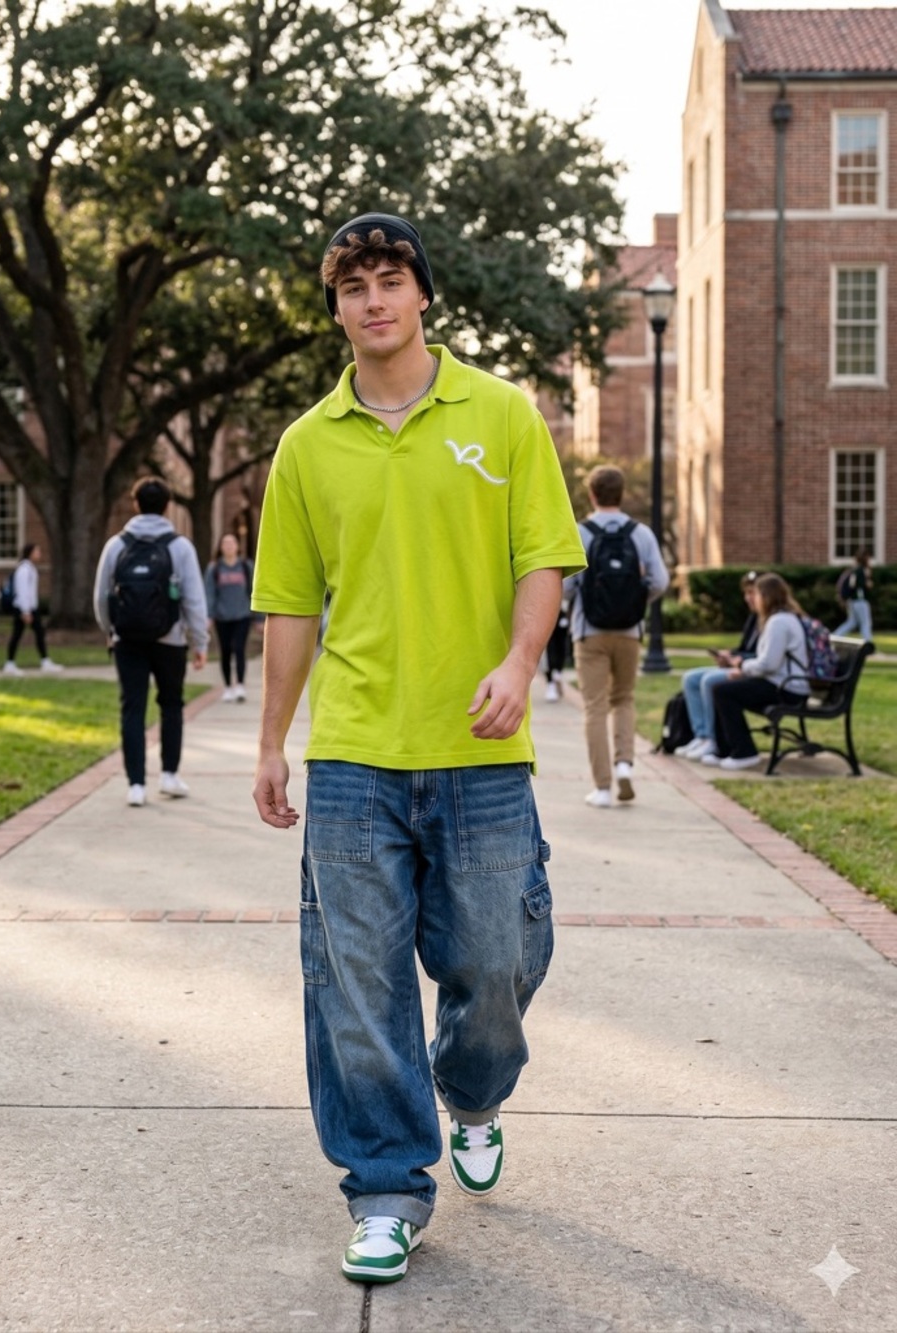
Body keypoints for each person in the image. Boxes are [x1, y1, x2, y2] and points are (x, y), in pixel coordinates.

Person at [250, 212, 586, 1285]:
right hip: (353, 755)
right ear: (337, 307)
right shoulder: (307, 445)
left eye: (390, 281)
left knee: (495, 961)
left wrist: (520, 661)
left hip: (482, 752)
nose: (373, 302)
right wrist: (271, 743)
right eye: (353, 288)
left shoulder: (500, 412)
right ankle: (386, 1184)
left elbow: (544, 555)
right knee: (355, 982)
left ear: (422, 295)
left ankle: (474, 1091)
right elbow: (290, 607)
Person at [93, 477, 209, 807]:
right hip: (170, 640)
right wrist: (200, 642)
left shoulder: (116, 545)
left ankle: (136, 785)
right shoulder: (180, 546)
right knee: (171, 704)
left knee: (133, 707)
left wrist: (110, 629)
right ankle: (170, 775)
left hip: (127, 638)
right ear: (167, 506)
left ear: (136, 504)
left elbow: (101, 595)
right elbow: (194, 600)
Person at [564, 465, 669, 808]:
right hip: (629, 631)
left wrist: (580, 600)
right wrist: (637, 601)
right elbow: (660, 582)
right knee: (623, 699)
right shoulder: (641, 534)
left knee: (594, 707)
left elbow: (564, 585)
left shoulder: (579, 533)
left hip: (589, 632)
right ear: (622, 493)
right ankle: (625, 764)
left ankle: (603, 788)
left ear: (592, 494)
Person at [705, 571, 810, 770]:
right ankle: (725, 750)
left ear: (767, 597)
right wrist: (743, 671)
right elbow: (768, 664)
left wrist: (742, 667)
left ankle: (744, 753)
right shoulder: (779, 619)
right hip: (782, 684)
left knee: (723, 691)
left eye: (758, 594)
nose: (755, 599)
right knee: (723, 687)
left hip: (788, 689)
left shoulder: (779, 622)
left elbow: (768, 664)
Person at [675, 571, 761, 761]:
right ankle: (702, 735)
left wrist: (738, 660)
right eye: (746, 593)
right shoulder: (753, 618)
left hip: (757, 673)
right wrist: (729, 656)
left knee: (710, 681)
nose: (749, 598)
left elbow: (766, 658)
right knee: (690, 678)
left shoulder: (773, 621)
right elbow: (744, 649)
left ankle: (714, 740)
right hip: (744, 666)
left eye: (753, 593)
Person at [204, 532, 254, 702]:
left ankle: (240, 685)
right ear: (220, 547)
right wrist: (209, 616)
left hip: (242, 616)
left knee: (239, 649)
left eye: (232, 543)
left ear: (237, 546)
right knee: (225, 652)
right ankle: (227, 687)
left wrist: (260, 618)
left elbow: (254, 591)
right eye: (225, 543)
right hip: (222, 617)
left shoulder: (246, 567)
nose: (229, 546)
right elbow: (210, 593)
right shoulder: (215, 569)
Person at [2, 543, 63, 675]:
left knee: (38, 633)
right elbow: (22, 591)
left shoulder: (30, 569)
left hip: (31, 608)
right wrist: (25, 611)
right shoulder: (24, 569)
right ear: (29, 553)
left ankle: (44, 661)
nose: (39, 554)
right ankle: (10, 664)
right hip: (24, 608)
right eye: (37, 551)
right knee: (19, 635)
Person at [835, 548, 873, 640]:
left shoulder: (853, 570)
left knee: (852, 622)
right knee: (866, 623)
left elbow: (851, 585)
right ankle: (868, 642)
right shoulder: (861, 571)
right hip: (860, 600)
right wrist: (867, 582)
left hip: (851, 600)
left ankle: (835, 636)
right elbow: (860, 586)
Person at [542, 594, 571, 702]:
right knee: (549, 649)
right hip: (546, 612)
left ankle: (558, 671)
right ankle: (550, 683)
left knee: (561, 646)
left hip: (562, 614)